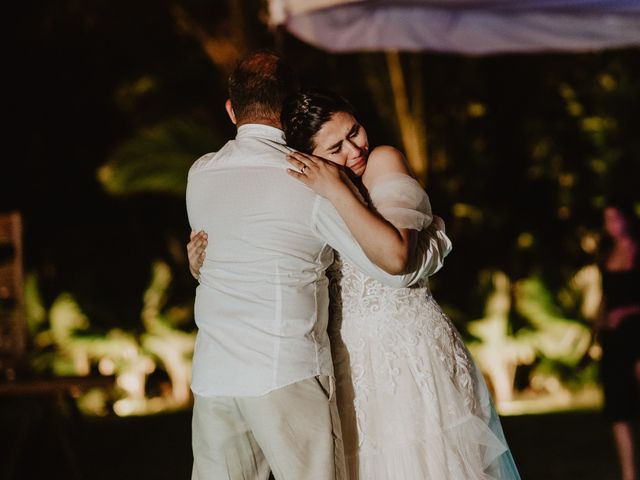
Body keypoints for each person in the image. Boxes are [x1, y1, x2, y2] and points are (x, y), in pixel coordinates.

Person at [189, 90, 520, 479]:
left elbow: (398, 258)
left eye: (354, 131)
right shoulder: (303, 193)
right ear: (310, 158)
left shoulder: (382, 161)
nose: (354, 149)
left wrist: (335, 188)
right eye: (336, 147)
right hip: (346, 363)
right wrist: (203, 264)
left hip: (404, 352)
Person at [595, 200, 640, 480]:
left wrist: (628, 311)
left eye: (616, 218)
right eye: (607, 220)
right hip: (614, 339)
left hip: (637, 332)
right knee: (618, 407)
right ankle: (629, 473)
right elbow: (606, 298)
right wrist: (598, 325)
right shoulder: (605, 254)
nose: (612, 225)